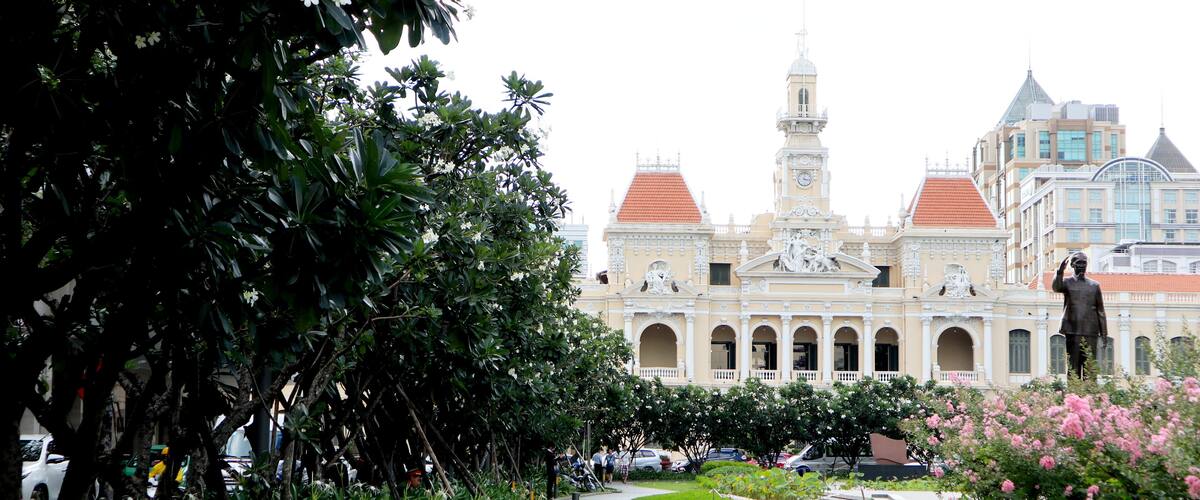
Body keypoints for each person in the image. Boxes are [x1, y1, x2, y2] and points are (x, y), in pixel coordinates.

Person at [1052, 252, 1108, 380]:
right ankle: (1074, 398)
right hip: (1073, 331)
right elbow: (1056, 287)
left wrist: (1104, 334)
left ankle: (1090, 398)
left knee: (1090, 369)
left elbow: (1101, 311)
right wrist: (1059, 272)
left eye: (1084, 263)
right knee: (1073, 369)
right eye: (1079, 263)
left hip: (1091, 332)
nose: (1082, 266)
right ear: (1072, 265)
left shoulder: (1094, 286)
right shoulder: (1067, 283)